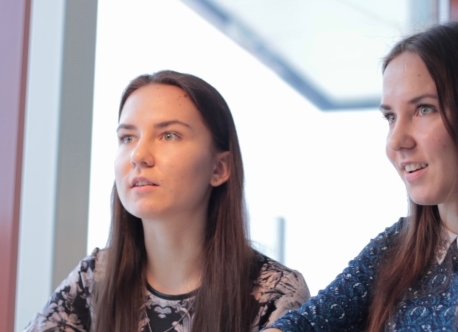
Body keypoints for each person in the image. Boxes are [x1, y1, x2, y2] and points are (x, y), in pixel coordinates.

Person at [264, 20, 458, 331]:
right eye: (390, 117)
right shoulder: (397, 245)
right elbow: (304, 324)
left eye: (424, 109)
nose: (396, 142)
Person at [24, 70, 310, 332]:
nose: (138, 155)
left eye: (169, 135)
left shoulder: (274, 293)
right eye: (127, 137)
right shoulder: (94, 278)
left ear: (219, 168)